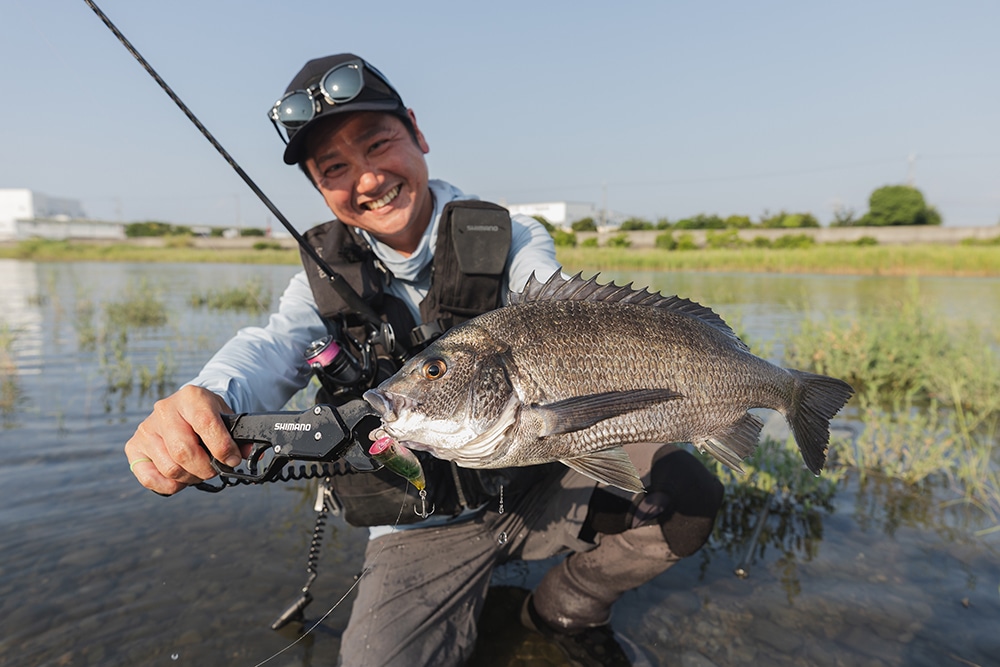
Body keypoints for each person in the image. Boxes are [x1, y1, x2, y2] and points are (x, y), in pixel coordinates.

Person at [124, 54, 724, 667]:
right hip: (419, 521)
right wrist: (211, 395)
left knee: (685, 495)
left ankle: (563, 608)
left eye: (378, 143)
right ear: (318, 187)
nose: (367, 178)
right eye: (335, 167)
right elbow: (275, 345)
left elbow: (553, 301)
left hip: (536, 474)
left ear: (416, 131)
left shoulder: (513, 236)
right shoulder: (320, 281)